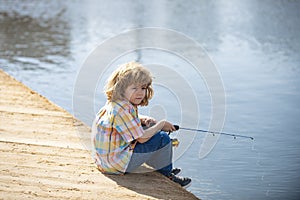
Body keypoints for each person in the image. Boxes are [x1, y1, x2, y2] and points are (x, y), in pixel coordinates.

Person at [92, 61, 191, 188]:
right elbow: (142, 138)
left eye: (143, 88)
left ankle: (160, 164)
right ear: (121, 88)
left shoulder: (115, 104)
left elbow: (127, 121)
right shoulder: (122, 110)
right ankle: (167, 174)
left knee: (148, 128)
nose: (140, 93)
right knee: (162, 138)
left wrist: (143, 119)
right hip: (115, 165)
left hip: (105, 161)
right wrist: (160, 125)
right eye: (134, 88)